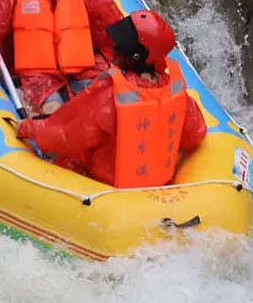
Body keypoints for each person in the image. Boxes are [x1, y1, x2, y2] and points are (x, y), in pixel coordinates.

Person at [14, 10, 208, 188]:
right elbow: (195, 133)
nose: (114, 46)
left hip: (103, 185)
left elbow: (66, 135)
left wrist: (28, 127)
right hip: (157, 185)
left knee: (59, 156)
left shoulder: (113, 91)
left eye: (120, 46)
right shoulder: (174, 89)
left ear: (133, 57)